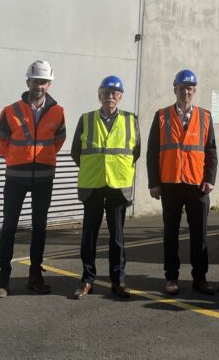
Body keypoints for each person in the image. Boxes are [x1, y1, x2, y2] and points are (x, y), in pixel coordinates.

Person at [0, 60, 67, 298]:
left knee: (40, 227)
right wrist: (17, 158)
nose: (40, 86)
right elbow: (0, 142)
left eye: (44, 82)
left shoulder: (58, 112)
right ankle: (3, 279)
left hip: (44, 177)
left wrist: (42, 158)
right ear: (28, 82)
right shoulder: (10, 110)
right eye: (36, 82)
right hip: (16, 177)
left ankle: (35, 275)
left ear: (49, 84)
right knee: (9, 227)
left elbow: (58, 140)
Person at [146, 68, 218, 296]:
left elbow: (211, 151)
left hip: (197, 185)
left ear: (194, 91)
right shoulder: (161, 115)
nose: (186, 92)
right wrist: (153, 183)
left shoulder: (205, 117)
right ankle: (171, 278)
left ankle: (200, 278)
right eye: (182, 88)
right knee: (171, 234)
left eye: (190, 88)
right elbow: (151, 152)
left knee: (200, 235)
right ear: (174, 89)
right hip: (170, 183)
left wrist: (210, 179)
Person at [70, 75, 140, 299]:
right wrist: (95, 168)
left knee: (117, 237)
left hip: (118, 186)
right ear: (99, 95)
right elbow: (75, 152)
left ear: (120, 97)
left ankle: (118, 281)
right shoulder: (86, 119)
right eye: (106, 92)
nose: (110, 96)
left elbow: (135, 152)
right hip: (92, 185)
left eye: (114, 93)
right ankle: (87, 280)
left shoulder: (131, 120)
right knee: (88, 235)